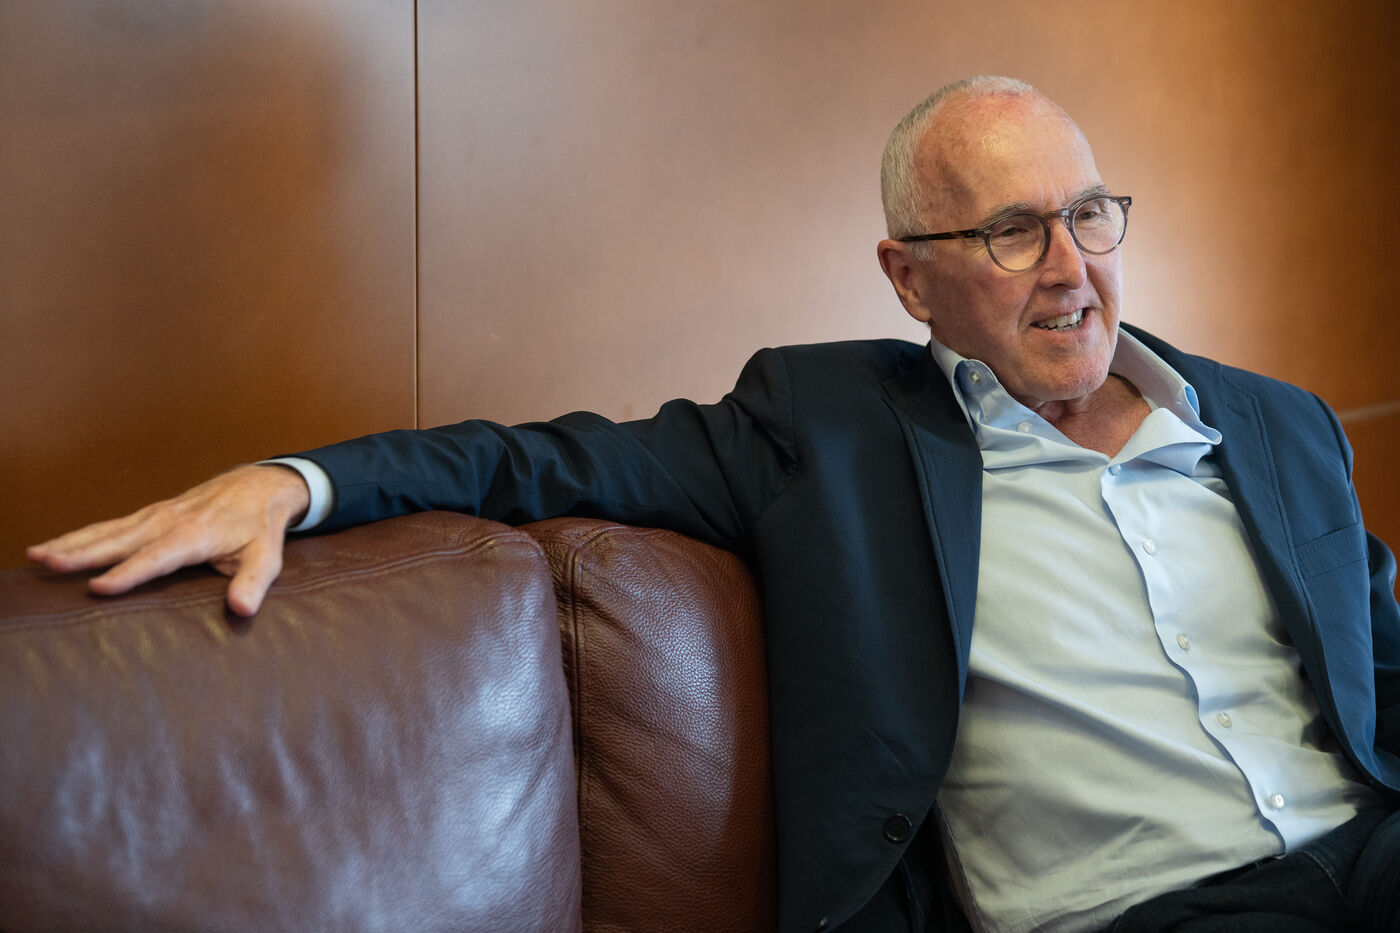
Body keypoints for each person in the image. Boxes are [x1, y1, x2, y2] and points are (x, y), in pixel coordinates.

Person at [28, 76, 1400, 932]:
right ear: (908, 279)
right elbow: (536, 461)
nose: (1070, 267)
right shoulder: (823, 430)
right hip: (1155, 909)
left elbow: (1379, 663)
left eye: (1089, 213)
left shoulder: (1269, 421)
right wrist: (297, 479)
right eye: (1008, 232)